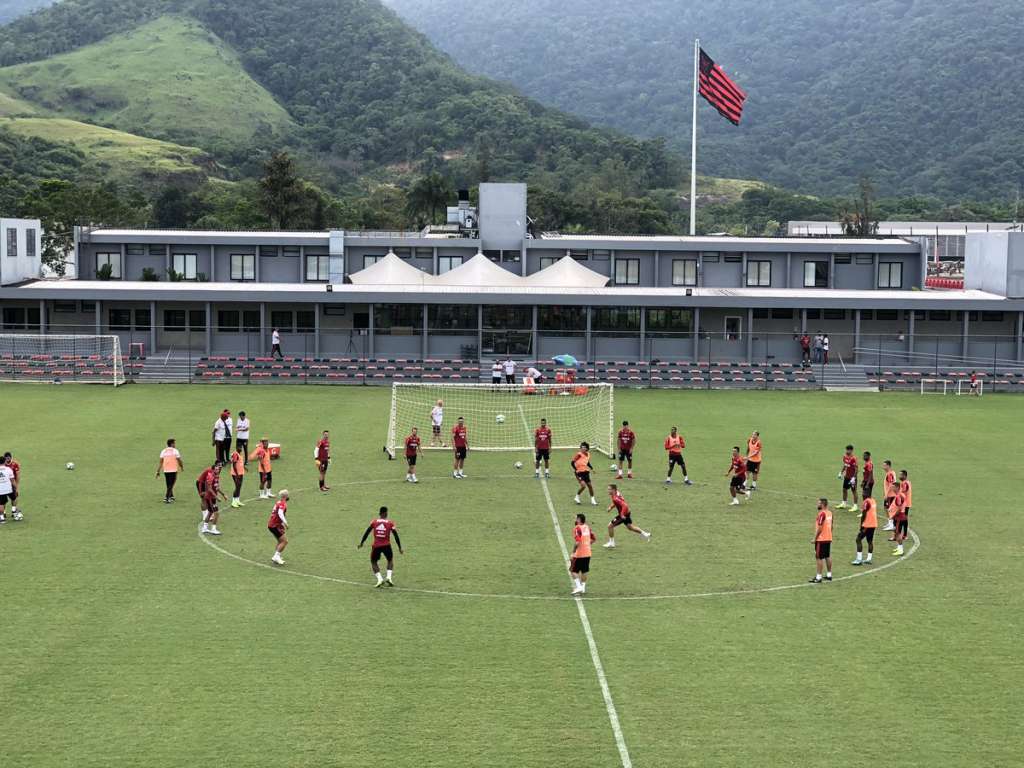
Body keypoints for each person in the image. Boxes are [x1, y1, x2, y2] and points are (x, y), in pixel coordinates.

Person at [358, 506, 403, 587]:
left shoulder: (374, 522)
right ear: (385, 513)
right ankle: (389, 577)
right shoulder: (390, 523)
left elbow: (367, 532)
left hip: (376, 546)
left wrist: (362, 542)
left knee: (373, 562)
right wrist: (399, 547)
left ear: (380, 513)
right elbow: (396, 535)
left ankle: (380, 579)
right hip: (387, 545)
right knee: (390, 560)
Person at [197, 463, 226, 536]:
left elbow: (217, 487)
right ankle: (213, 529)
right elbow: (209, 488)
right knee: (216, 513)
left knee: (210, 512)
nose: (218, 470)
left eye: (218, 469)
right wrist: (217, 497)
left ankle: (205, 527)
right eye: (216, 469)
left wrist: (223, 494)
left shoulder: (216, 476)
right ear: (213, 469)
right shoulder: (210, 476)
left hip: (211, 497)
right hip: (210, 498)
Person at [570, 513, 595, 595]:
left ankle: (578, 587)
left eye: (576, 518)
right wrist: (587, 545)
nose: (575, 520)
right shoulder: (587, 527)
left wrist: (573, 552)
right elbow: (594, 539)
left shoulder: (577, 528)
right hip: (588, 553)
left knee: (573, 570)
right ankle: (583, 588)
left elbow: (577, 542)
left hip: (579, 554)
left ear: (579, 520)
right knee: (584, 571)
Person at [810, 498, 833, 583]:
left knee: (819, 557)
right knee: (827, 556)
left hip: (821, 539)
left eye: (818, 503)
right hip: (828, 537)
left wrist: (815, 539)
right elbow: (831, 526)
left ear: (822, 505)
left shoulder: (822, 514)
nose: (817, 504)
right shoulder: (830, 513)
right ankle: (829, 575)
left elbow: (820, 528)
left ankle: (818, 577)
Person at [852, 494, 877, 565]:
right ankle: (869, 559)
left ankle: (859, 559)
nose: (862, 494)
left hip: (867, 525)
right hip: (873, 524)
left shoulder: (866, 502)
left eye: (864, 492)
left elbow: (864, 514)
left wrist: (861, 525)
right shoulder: (873, 500)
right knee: (870, 541)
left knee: (858, 539)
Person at [156, 438, 183, 503]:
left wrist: (158, 471)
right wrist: (181, 466)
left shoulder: (163, 451)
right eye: (174, 443)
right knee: (171, 484)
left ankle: (171, 496)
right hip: (173, 469)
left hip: (166, 470)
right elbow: (179, 460)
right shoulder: (175, 451)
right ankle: (166, 497)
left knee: (168, 484)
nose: (175, 444)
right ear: (172, 444)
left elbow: (161, 462)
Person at [267, 490, 290, 565]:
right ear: (285, 496)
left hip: (272, 524)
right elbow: (280, 513)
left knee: (280, 541)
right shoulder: (283, 504)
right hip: (275, 525)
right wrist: (285, 522)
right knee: (284, 541)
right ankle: (276, 556)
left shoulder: (278, 502)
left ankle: (277, 556)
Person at [837, 444, 859, 510]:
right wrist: (841, 472)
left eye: (848, 450)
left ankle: (855, 506)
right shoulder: (845, 456)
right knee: (844, 489)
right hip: (847, 476)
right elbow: (845, 465)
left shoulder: (854, 458)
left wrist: (854, 478)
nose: (847, 451)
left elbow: (857, 469)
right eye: (846, 449)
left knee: (854, 490)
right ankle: (844, 503)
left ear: (851, 450)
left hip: (852, 478)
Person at [0, 452, 19, 524]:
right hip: (9, 489)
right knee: (14, 498)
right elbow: (12, 480)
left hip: (0, 490)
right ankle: (14, 511)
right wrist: (16, 488)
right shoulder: (8, 469)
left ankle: (2, 518)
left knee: (1, 504)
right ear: (4, 461)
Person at [881, 460, 898, 531]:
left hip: (891, 495)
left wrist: (886, 494)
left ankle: (892, 524)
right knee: (885, 507)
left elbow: (891, 485)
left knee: (890, 509)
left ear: (888, 466)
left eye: (884, 465)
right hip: (890, 494)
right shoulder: (891, 473)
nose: (883, 467)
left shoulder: (890, 474)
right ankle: (890, 522)